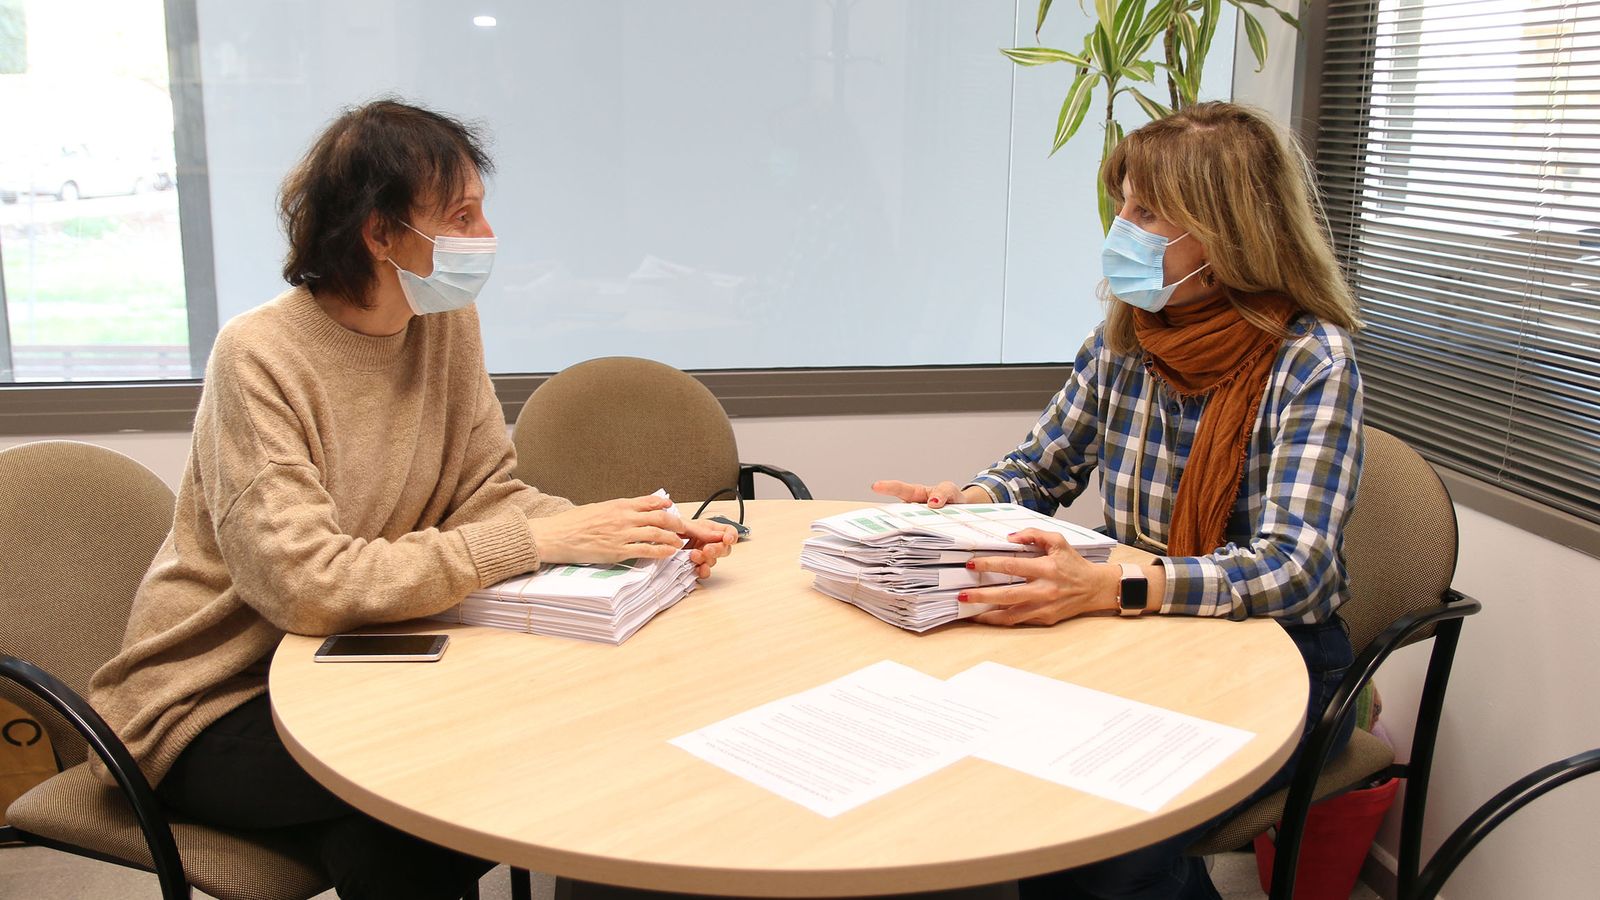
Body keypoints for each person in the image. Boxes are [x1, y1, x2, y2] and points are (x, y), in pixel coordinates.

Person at [86, 99, 737, 900]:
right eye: (462, 214)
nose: (486, 234)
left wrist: (632, 534)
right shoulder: (258, 356)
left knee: (508, 761)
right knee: (410, 807)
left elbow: (483, 492)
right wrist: (541, 543)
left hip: (354, 662)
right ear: (381, 233)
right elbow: (305, 585)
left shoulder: (445, 320)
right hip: (211, 697)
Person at [874, 101, 1364, 899]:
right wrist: (967, 499)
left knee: (1113, 837)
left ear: (1226, 231)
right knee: (1033, 797)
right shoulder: (1130, 333)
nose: (1122, 228)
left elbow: (1298, 567)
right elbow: (1044, 465)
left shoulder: (1311, 360)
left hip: (1276, 655)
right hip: (1135, 631)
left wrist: (1119, 586)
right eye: (1123, 205)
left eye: (1147, 212)